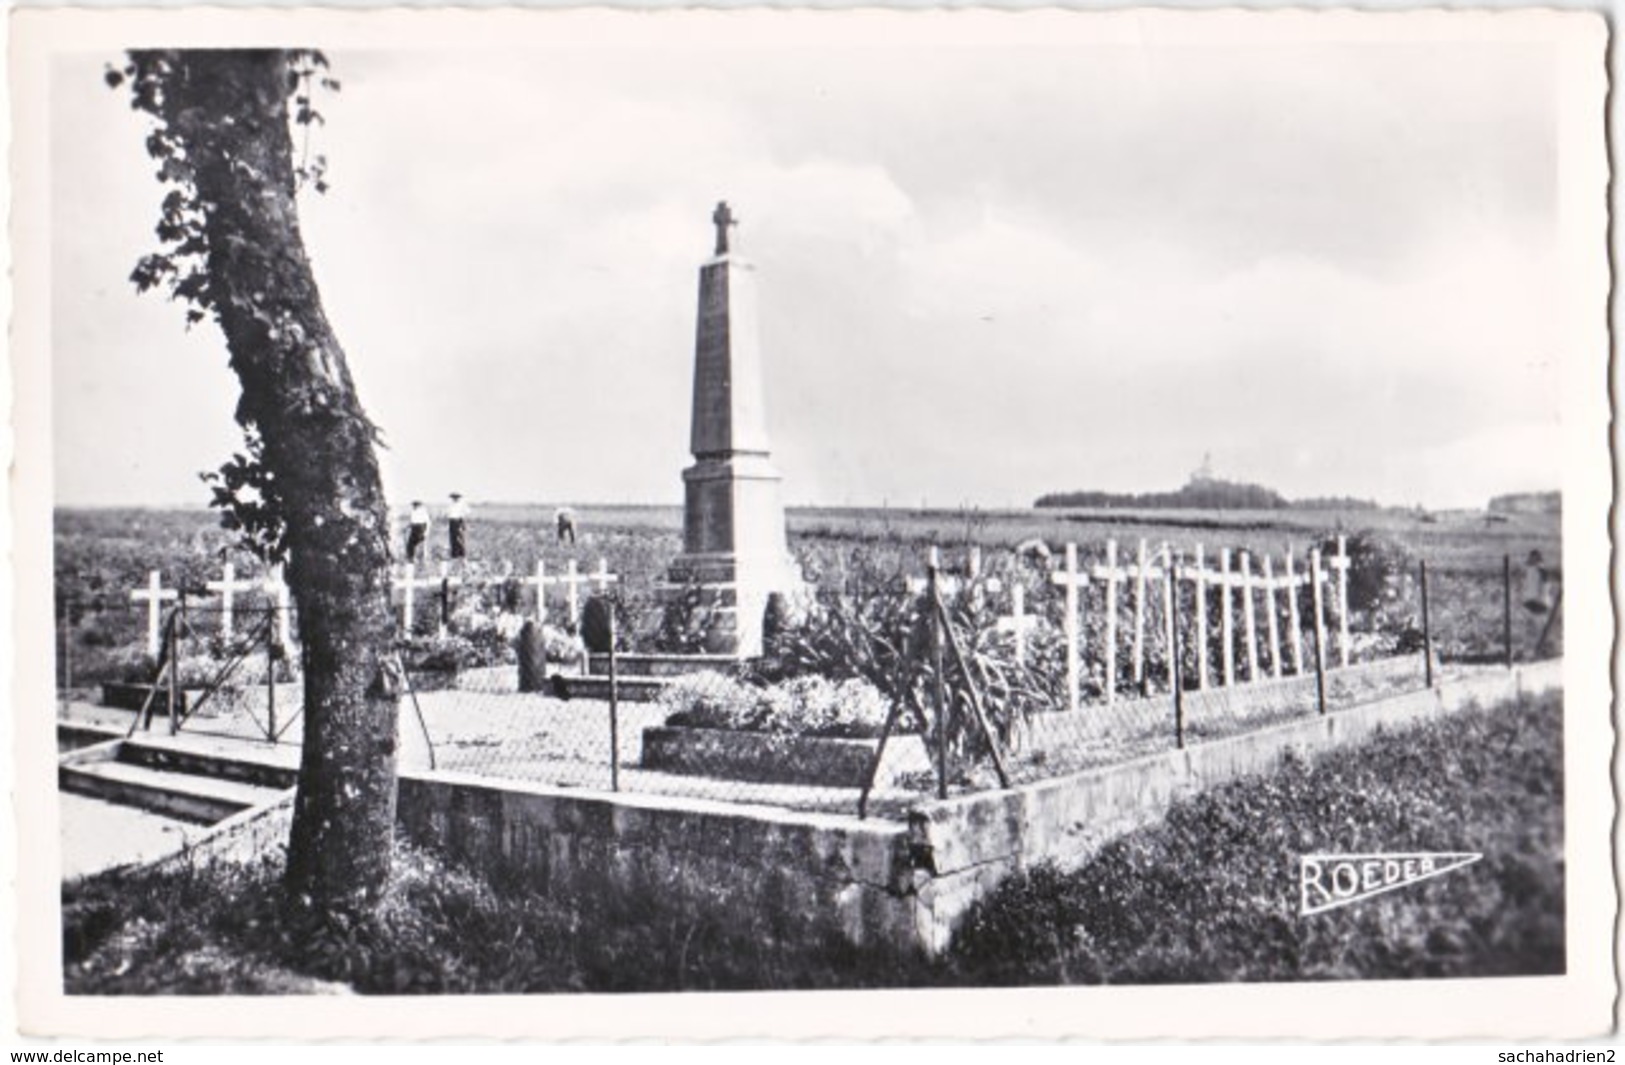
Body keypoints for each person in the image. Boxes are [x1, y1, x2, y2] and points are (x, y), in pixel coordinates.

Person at [447, 492, 470, 560]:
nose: (454, 499)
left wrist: (462, 521)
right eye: (453, 497)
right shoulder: (451, 505)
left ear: (459, 498)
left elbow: (467, 512)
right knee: (453, 538)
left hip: (459, 521)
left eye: (456, 497)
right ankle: (454, 554)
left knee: (460, 538)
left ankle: (462, 554)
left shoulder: (462, 504)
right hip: (452, 522)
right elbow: (448, 514)